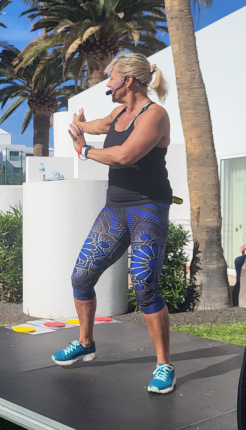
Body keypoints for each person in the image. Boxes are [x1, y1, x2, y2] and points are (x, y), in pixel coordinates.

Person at [61, 53, 177, 394]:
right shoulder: (118, 113)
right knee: (81, 276)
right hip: (115, 208)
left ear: (128, 81)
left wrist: (84, 151)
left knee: (144, 283)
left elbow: (125, 155)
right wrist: (80, 125)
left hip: (148, 208)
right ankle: (86, 343)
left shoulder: (155, 115)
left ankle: (164, 364)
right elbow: (99, 126)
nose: (107, 84)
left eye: (110, 78)